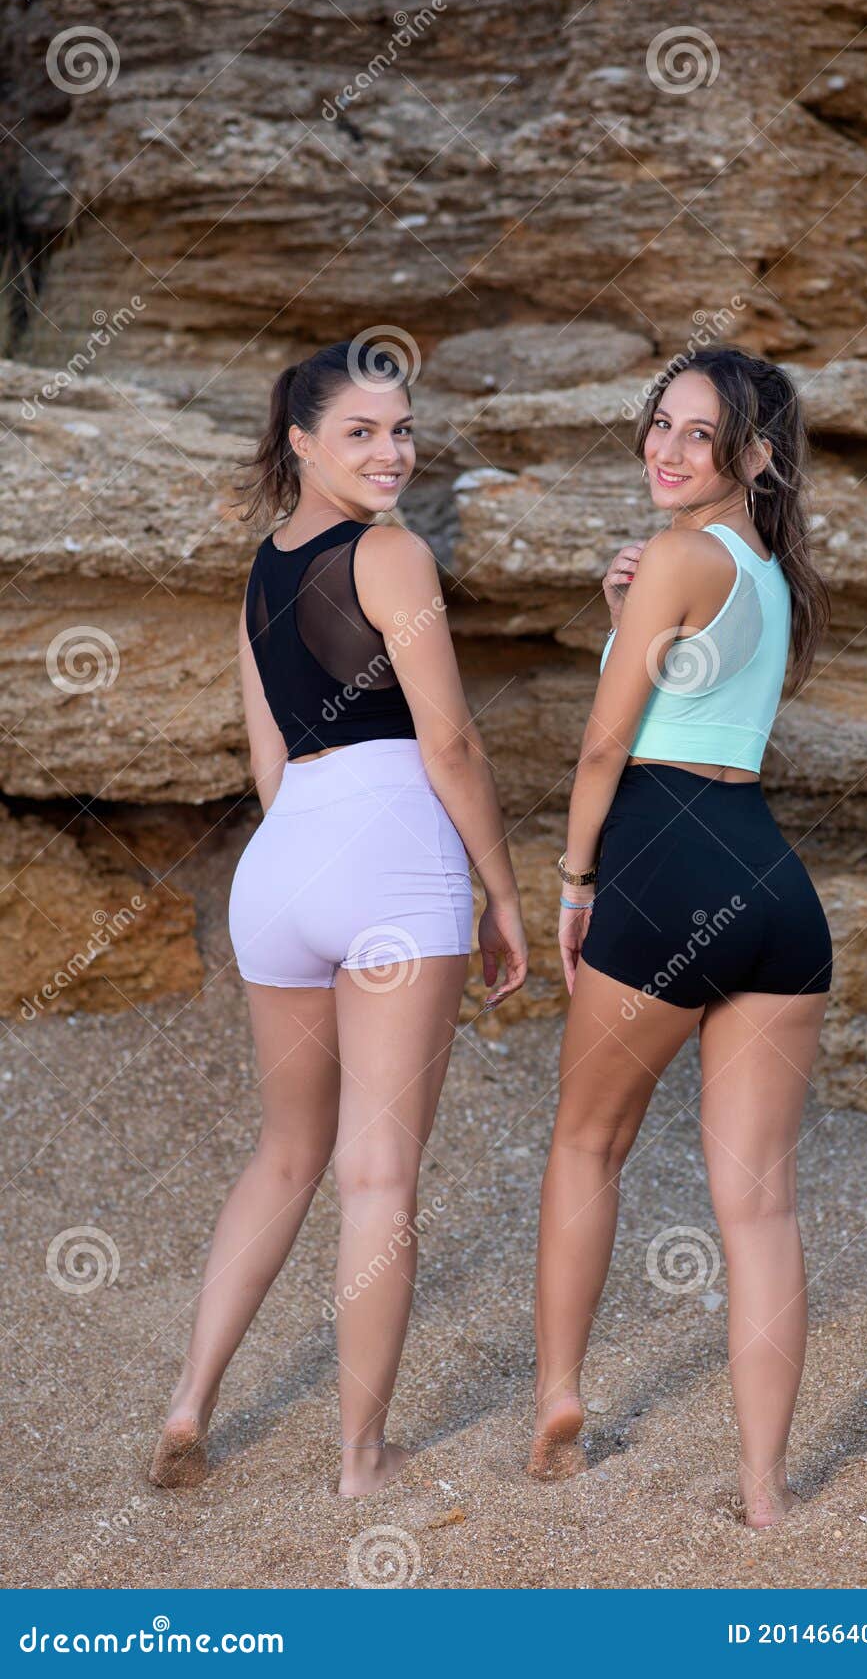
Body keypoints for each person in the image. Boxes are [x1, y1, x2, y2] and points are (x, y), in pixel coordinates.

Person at [148, 339, 527, 1498]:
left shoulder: (263, 568)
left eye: (402, 429)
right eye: (361, 431)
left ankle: (189, 1401)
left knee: (285, 1154)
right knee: (376, 1176)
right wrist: (504, 889)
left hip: (282, 863)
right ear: (301, 441)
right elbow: (451, 741)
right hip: (390, 860)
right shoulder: (394, 554)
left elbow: (269, 761)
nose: (391, 452)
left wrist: (310, 855)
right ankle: (362, 1462)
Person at [529, 344, 833, 1529]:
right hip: (772, 887)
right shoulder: (765, 568)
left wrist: (571, 878)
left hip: (660, 869)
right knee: (759, 1205)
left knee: (586, 1146)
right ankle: (765, 1487)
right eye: (658, 423)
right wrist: (625, 615)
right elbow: (701, 697)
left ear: (751, 455)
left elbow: (611, 744)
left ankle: (560, 1399)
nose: (664, 447)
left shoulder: (676, 554)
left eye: (696, 433)